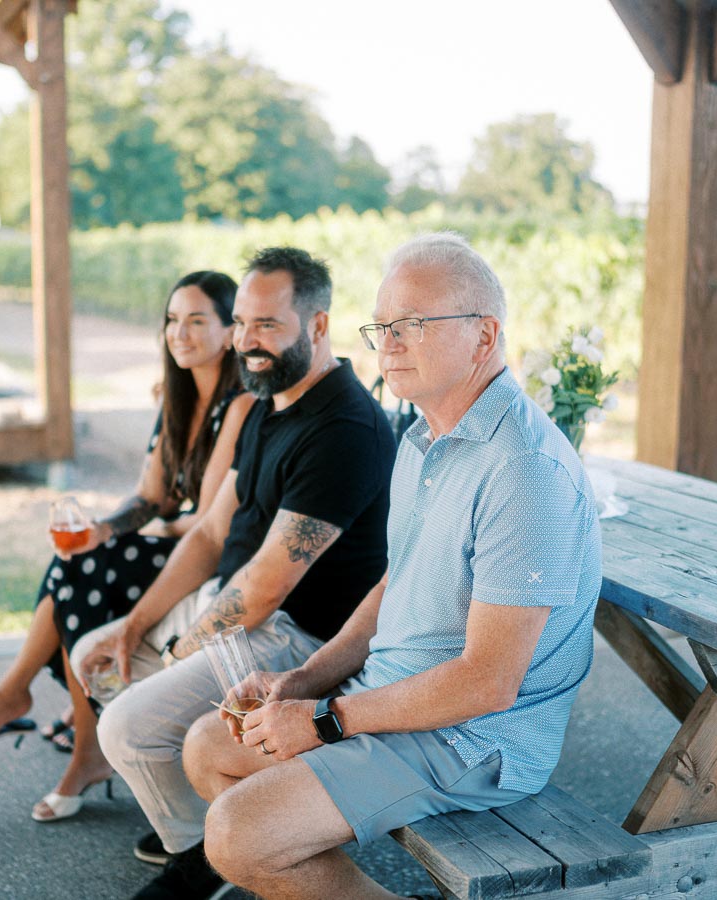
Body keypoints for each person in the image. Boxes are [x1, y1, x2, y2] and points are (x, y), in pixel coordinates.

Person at [182, 232, 603, 900]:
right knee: (209, 747)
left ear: (484, 336)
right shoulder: (423, 436)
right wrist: (303, 681)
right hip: (395, 697)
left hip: (471, 742)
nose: (389, 343)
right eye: (382, 326)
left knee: (236, 834)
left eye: (411, 325)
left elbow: (488, 684)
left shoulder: (525, 471)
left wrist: (326, 719)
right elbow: (394, 582)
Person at [72, 247, 397, 900]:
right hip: (234, 609)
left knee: (127, 728)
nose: (248, 342)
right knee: (95, 656)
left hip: (297, 635)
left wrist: (178, 650)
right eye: (242, 324)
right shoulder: (272, 404)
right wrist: (136, 627)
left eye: (268, 326)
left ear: (319, 325)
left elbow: (269, 583)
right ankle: (210, 840)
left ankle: (208, 858)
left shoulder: (343, 428)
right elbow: (213, 531)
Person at [0, 271, 255, 823]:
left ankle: (35, 712)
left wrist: (137, 537)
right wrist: (104, 530)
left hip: (212, 559)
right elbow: (152, 495)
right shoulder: (177, 399)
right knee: (78, 562)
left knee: (79, 576)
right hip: (171, 541)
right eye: (172, 321)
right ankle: (66, 735)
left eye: (197, 321)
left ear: (230, 332)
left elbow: (204, 521)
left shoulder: (242, 403)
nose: (179, 333)